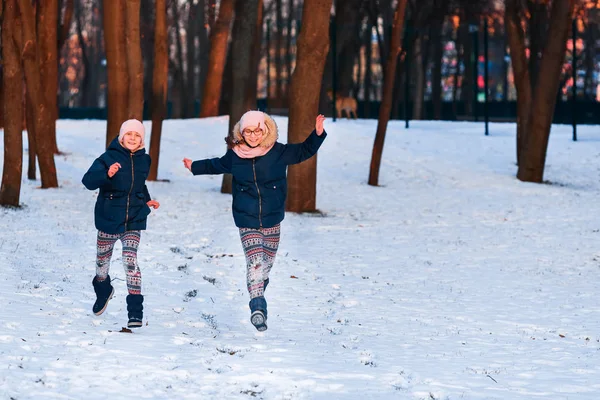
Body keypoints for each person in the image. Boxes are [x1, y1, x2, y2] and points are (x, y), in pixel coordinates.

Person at [183, 111, 327, 331]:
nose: (253, 135)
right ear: (241, 132)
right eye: (248, 131)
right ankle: (258, 307)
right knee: (255, 263)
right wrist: (194, 166)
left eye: (257, 130)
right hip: (246, 218)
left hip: (272, 218)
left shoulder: (278, 152)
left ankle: (257, 287)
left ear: (265, 129)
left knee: (266, 266)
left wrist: (317, 134)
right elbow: (215, 165)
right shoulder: (235, 155)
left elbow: (303, 151)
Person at [82, 119, 160, 328]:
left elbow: (139, 186)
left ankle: (135, 312)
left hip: (134, 217)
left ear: (142, 140)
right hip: (108, 217)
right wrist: (106, 174)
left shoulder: (145, 160)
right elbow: (88, 181)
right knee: (102, 264)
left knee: (130, 260)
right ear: (121, 137)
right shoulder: (107, 158)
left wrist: (147, 199)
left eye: (137, 136)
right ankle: (103, 289)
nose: (133, 138)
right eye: (129, 135)